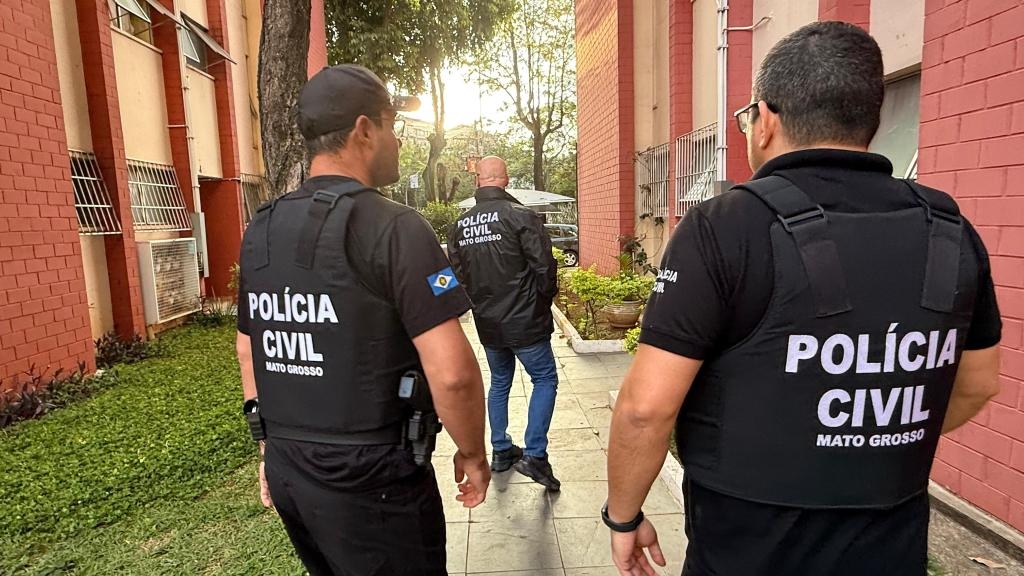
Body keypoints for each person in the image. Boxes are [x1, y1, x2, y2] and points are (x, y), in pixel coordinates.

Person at [604, 21, 1002, 576]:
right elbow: (979, 384)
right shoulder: (950, 230)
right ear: (871, 119)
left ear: (765, 119)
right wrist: (875, 440)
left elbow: (645, 408)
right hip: (890, 549)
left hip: (746, 552)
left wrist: (622, 516)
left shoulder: (724, 226)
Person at [235, 64, 490, 576]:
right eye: (392, 125)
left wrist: (272, 446)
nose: (398, 140)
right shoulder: (395, 228)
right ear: (364, 130)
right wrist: (472, 452)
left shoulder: (261, 228)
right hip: (373, 480)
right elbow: (453, 375)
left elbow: (249, 349)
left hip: (290, 469)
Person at [447, 156, 562, 490]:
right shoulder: (521, 216)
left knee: (499, 381)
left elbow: (457, 276)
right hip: (525, 320)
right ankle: (535, 454)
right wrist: (541, 304)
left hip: (489, 322)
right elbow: (545, 267)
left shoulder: (460, 226)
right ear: (506, 179)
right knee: (545, 379)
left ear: (478, 181)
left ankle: (500, 449)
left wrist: (478, 307)